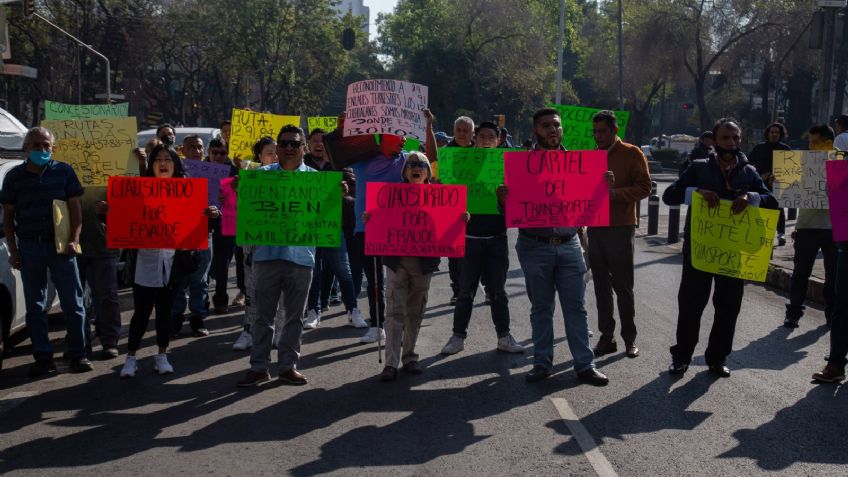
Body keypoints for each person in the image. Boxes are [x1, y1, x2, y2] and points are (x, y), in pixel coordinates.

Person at [497, 108, 609, 386]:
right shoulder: (521, 166)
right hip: (535, 246)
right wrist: (502, 199)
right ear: (535, 131)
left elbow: (590, 204)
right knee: (541, 308)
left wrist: (604, 186)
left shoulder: (579, 164)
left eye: (556, 125)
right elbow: (508, 211)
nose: (552, 130)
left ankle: (585, 365)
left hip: (570, 244)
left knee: (576, 307)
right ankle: (542, 363)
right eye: (546, 125)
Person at [663, 118, 773, 377]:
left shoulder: (749, 172)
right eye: (726, 138)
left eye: (736, 138)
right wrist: (696, 192)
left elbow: (772, 200)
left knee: (728, 308)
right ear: (714, 140)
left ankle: (717, 358)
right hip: (700, 251)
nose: (732, 143)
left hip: (733, 253)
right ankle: (682, 357)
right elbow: (670, 195)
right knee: (691, 305)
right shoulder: (698, 167)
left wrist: (751, 197)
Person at [119, 145, 220, 377]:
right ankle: (131, 358)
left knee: (165, 312)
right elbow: (124, 220)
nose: (163, 163)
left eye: (168, 159)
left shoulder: (187, 191)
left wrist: (213, 215)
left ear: (175, 165)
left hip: (173, 264)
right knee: (141, 312)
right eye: (158, 159)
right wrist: (108, 212)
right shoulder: (138, 191)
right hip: (144, 263)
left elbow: (201, 224)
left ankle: (161, 356)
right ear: (151, 164)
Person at [1, 127, 93, 376]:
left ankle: (78, 353)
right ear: (26, 148)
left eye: (46, 146)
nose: (41, 150)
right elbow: (8, 217)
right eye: (36, 146)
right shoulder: (14, 178)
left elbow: (76, 211)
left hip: (62, 247)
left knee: (73, 304)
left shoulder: (64, 172)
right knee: (36, 307)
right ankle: (43, 357)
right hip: (31, 247)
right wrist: (14, 250)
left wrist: (74, 240)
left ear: (53, 148)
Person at [347, 110, 438, 343]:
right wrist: (345, 126)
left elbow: (432, 161)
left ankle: (399, 323)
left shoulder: (407, 160)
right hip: (366, 228)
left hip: (397, 232)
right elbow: (340, 151)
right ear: (382, 135)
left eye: (405, 135)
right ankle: (378, 324)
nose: (404, 139)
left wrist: (427, 128)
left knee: (397, 282)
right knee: (374, 278)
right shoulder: (364, 160)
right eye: (398, 134)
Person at [236, 125, 317, 387]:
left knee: (295, 317)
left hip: (301, 257)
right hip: (267, 257)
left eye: (295, 143)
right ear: (278, 148)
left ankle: (287, 366)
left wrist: (338, 196)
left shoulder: (317, 180)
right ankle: (259, 366)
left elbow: (326, 215)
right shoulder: (260, 176)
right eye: (284, 143)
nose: (290, 148)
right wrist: (240, 189)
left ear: (303, 148)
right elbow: (243, 208)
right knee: (263, 316)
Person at [369, 152, 461, 381]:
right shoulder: (390, 196)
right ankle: (390, 363)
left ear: (428, 171)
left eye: (421, 164)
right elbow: (378, 220)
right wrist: (369, 218)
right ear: (404, 171)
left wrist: (460, 219)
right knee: (394, 311)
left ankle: (409, 357)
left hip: (423, 263)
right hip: (396, 261)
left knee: (415, 312)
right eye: (411, 164)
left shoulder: (439, 196)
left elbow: (447, 230)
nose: (415, 168)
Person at [441, 121, 523, 356]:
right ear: (475, 140)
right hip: (469, 238)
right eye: (482, 136)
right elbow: (447, 195)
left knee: (498, 292)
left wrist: (504, 198)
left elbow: (519, 205)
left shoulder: (507, 167)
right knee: (465, 291)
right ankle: (458, 337)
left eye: (491, 137)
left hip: (497, 238)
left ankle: (504, 336)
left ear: (498, 142)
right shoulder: (459, 162)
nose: (487, 140)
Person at [588, 110, 652, 359]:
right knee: (600, 286)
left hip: (620, 227)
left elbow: (645, 187)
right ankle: (607, 337)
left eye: (602, 131)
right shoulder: (591, 157)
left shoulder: (631, 153)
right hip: (595, 228)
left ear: (615, 130)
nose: (598, 136)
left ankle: (629, 338)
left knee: (623, 286)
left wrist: (615, 193)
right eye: (595, 131)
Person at [303, 128, 366, 329]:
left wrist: (344, 193)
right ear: (308, 144)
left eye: (322, 141)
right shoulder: (302, 166)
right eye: (314, 141)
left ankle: (353, 310)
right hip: (308, 227)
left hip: (334, 226)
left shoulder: (341, 166)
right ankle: (313, 311)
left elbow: (355, 196)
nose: (319, 144)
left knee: (343, 270)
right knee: (314, 271)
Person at [784, 125, 837, 328]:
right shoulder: (801, 163)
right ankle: (793, 312)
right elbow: (789, 189)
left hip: (835, 227)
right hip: (807, 225)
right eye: (809, 142)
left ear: (828, 143)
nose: (811, 146)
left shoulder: (842, 162)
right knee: (800, 272)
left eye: (815, 142)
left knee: (834, 275)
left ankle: (832, 314)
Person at [231, 137, 279, 351]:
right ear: (259, 156)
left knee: (281, 292)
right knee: (252, 290)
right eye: (269, 152)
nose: (274, 156)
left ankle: (278, 332)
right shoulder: (249, 177)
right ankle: (248, 330)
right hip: (255, 244)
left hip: (280, 244)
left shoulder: (291, 178)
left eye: (277, 152)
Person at [171, 135, 214, 337]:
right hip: (180, 235)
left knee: (200, 280)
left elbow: (223, 206)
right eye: (191, 147)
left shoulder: (213, 173)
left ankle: (198, 318)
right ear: (182, 150)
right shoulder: (175, 174)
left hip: (203, 233)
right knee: (179, 280)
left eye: (199, 147)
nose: (196, 151)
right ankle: (176, 317)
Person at [78, 183, 122, 360]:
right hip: (71, 243)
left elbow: (130, 199)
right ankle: (80, 344)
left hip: (103, 243)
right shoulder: (62, 167)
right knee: (75, 299)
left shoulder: (112, 164)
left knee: (107, 296)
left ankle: (109, 341)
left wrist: (111, 208)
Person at [444, 116, 476, 305]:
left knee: (474, 254)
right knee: (454, 255)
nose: (462, 134)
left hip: (476, 209)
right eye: (459, 130)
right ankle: (457, 290)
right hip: (451, 211)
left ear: (472, 133)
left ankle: (473, 287)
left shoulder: (480, 153)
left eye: (466, 130)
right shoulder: (445, 153)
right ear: (454, 131)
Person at [207, 138, 240, 315]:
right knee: (205, 265)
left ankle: (221, 300)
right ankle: (202, 302)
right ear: (209, 152)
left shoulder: (233, 171)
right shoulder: (197, 170)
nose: (219, 156)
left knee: (223, 264)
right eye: (215, 152)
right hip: (203, 222)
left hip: (226, 222)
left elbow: (241, 195)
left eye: (223, 153)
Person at [748, 123, 792, 245]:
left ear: (780, 134)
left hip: (778, 184)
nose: (774, 134)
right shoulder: (759, 148)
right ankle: (762, 235)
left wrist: (779, 177)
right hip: (760, 184)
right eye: (771, 132)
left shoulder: (785, 149)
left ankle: (781, 234)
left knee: (779, 209)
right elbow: (748, 164)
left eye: (776, 132)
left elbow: (792, 169)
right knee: (761, 208)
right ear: (767, 133)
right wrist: (759, 176)